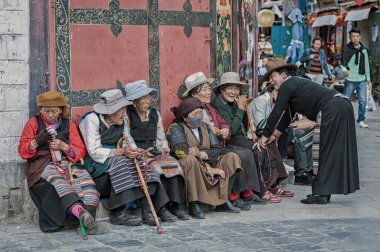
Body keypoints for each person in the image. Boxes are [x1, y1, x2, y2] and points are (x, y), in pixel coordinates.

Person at [258, 58, 359, 204]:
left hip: (332, 109)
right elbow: (287, 114)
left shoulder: (287, 85)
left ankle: (321, 194)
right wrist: (275, 134)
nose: (271, 81)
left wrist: (264, 136)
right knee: (329, 151)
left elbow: (276, 113)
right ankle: (323, 193)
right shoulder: (294, 84)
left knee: (324, 151)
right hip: (341, 105)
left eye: (273, 76)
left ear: (283, 75)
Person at [78, 89, 175, 226]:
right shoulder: (92, 119)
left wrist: (136, 151)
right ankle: (119, 213)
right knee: (122, 162)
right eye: (122, 109)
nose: (125, 113)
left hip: (117, 157)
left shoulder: (121, 120)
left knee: (142, 163)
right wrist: (121, 151)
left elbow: (127, 140)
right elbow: (94, 151)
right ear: (111, 111)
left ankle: (149, 210)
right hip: (96, 164)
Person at [18, 91, 101, 234]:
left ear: (61, 110)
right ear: (41, 111)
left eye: (54, 111)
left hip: (67, 162)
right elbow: (22, 150)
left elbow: (80, 150)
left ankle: (89, 221)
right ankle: (81, 213)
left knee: (86, 183)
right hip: (43, 164)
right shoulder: (33, 123)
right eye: (46, 111)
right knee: (58, 182)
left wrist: (65, 147)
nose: (50, 114)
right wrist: (37, 141)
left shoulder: (68, 124)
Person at [182, 72, 263, 209]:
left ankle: (247, 192)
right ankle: (232, 195)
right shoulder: (194, 110)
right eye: (205, 89)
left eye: (209, 88)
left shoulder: (210, 107)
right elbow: (205, 129)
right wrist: (220, 130)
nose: (209, 92)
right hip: (207, 148)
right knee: (240, 154)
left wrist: (224, 129)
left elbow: (222, 123)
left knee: (251, 150)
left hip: (219, 143)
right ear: (195, 94)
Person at [212, 72, 292, 203]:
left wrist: (243, 109)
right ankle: (261, 190)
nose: (233, 92)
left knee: (269, 144)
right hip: (229, 140)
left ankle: (272, 185)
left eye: (236, 88)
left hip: (240, 138)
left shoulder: (234, 103)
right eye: (230, 88)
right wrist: (241, 109)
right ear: (222, 89)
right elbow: (231, 130)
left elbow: (244, 125)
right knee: (259, 149)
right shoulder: (218, 104)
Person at [166, 97, 242, 219]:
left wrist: (203, 155)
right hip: (193, 167)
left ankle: (223, 200)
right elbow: (181, 151)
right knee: (189, 159)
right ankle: (194, 203)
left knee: (232, 157)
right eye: (194, 114)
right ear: (185, 117)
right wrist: (204, 165)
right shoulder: (176, 127)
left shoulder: (206, 127)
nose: (198, 116)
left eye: (200, 113)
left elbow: (217, 149)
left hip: (208, 161)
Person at [124, 80, 188, 220]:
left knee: (173, 165)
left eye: (148, 96)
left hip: (154, 149)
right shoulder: (127, 115)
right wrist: (138, 150)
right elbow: (126, 137)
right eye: (143, 97)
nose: (148, 100)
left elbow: (160, 135)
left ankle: (176, 205)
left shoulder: (154, 114)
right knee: (154, 168)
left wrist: (164, 148)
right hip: (138, 153)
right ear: (134, 101)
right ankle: (161, 208)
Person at [342, 28, 371, 128]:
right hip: (350, 79)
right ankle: (343, 120)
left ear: (360, 37)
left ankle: (361, 120)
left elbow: (367, 65)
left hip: (362, 79)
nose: (355, 38)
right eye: (353, 36)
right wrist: (344, 70)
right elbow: (343, 63)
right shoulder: (346, 49)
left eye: (357, 36)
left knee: (363, 101)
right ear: (350, 37)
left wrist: (368, 79)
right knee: (345, 101)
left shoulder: (364, 50)